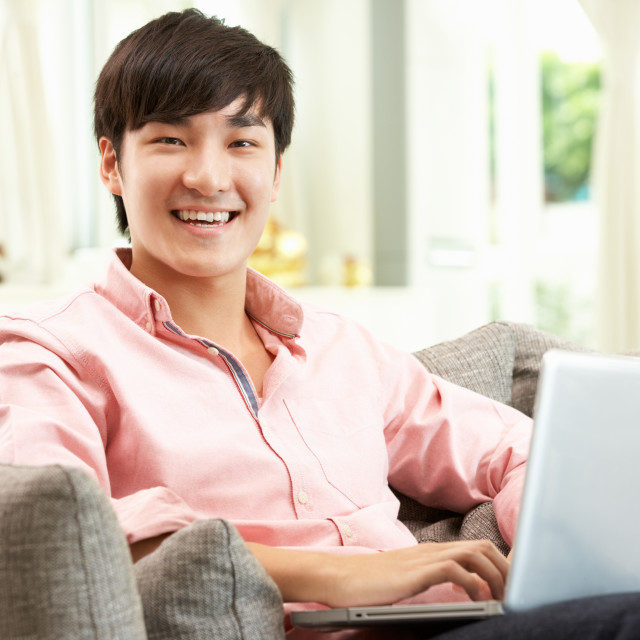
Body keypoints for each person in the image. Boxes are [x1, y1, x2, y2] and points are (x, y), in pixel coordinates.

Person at [1, 8, 637, 640]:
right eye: (171, 139)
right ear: (112, 164)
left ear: (276, 172)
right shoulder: (49, 351)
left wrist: (549, 563)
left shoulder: (340, 348)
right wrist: (335, 575)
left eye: (242, 142)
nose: (209, 177)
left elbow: (516, 450)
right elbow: (58, 529)